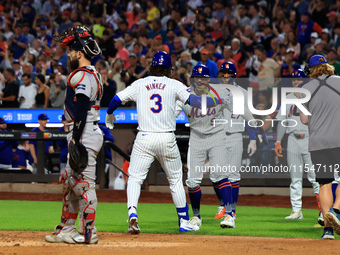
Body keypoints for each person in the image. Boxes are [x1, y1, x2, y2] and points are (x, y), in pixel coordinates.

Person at [105, 51, 203, 234]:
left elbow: (116, 99)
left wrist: (109, 115)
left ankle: (132, 213)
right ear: (168, 69)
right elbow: (193, 101)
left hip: (144, 138)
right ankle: (183, 221)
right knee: (175, 180)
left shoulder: (140, 83)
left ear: (152, 68)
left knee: (134, 178)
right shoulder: (174, 84)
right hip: (166, 137)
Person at [44, 26, 103, 245]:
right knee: (69, 182)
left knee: (83, 184)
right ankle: (67, 229)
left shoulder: (82, 74)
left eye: (70, 50)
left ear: (79, 53)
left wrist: (76, 137)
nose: (68, 54)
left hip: (84, 131)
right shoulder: (93, 73)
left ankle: (89, 232)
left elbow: (82, 107)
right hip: (85, 130)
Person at [298, 55, 340, 240]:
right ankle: (336, 210)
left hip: (317, 143)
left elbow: (304, 119)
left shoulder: (305, 89)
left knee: (324, 183)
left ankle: (328, 231)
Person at [213, 62, 258, 220]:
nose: (226, 76)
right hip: (217, 136)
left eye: (229, 73)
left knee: (233, 174)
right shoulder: (213, 90)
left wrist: (253, 139)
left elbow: (248, 118)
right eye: (223, 73)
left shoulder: (243, 92)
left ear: (234, 75)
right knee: (216, 174)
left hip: (235, 135)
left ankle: (231, 210)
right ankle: (223, 204)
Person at [275, 69, 320, 221]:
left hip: (309, 138)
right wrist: (278, 141)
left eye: (299, 80)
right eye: (294, 80)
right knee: (295, 179)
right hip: (292, 138)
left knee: (315, 177)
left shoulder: (312, 97)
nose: (296, 82)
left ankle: (322, 210)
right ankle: (296, 211)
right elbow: (282, 122)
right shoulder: (287, 98)